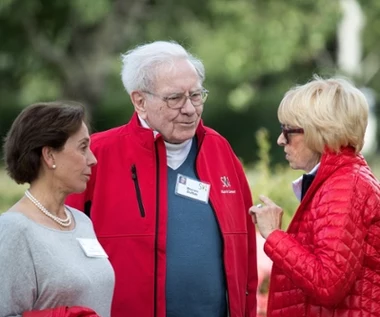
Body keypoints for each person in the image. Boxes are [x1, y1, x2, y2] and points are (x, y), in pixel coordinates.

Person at [66, 40, 258, 317]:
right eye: (175, 98)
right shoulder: (97, 155)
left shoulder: (220, 150)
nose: (190, 108)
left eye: (196, 95)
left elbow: (246, 253)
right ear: (140, 101)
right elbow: (62, 251)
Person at [249, 76, 380, 316]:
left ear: (319, 131)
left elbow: (327, 284)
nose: (280, 140)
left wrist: (274, 236)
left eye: (287, 131)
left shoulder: (344, 187)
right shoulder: (341, 179)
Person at [0, 102, 115, 317]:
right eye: (83, 147)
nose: (93, 159)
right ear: (49, 156)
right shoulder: (13, 230)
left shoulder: (81, 222)